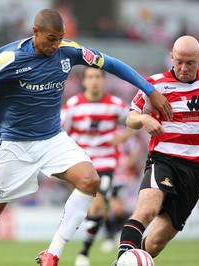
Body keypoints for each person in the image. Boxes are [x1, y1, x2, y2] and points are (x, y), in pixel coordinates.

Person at [0, 9, 172, 266]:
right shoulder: (8, 58)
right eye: (51, 39)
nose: (56, 45)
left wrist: (149, 90)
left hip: (53, 139)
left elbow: (111, 64)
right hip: (14, 145)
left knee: (90, 180)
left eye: (60, 39)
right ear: (35, 32)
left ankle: (52, 254)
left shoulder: (68, 52)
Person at [112, 35, 199, 265]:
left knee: (156, 243)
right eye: (179, 62)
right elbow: (130, 117)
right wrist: (144, 120)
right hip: (163, 159)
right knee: (146, 211)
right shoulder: (155, 84)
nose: (184, 68)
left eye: (190, 63)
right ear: (171, 57)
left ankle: (128, 261)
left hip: (195, 171)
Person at [60, 67, 136, 266]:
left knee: (98, 204)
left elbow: (136, 122)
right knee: (88, 209)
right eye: (90, 77)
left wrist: (122, 136)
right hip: (81, 162)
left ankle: (84, 251)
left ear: (103, 81)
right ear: (84, 81)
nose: (94, 81)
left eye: (97, 77)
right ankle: (98, 237)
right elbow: (59, 131)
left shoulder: (116, 105)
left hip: (106, 162)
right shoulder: (74, 105)